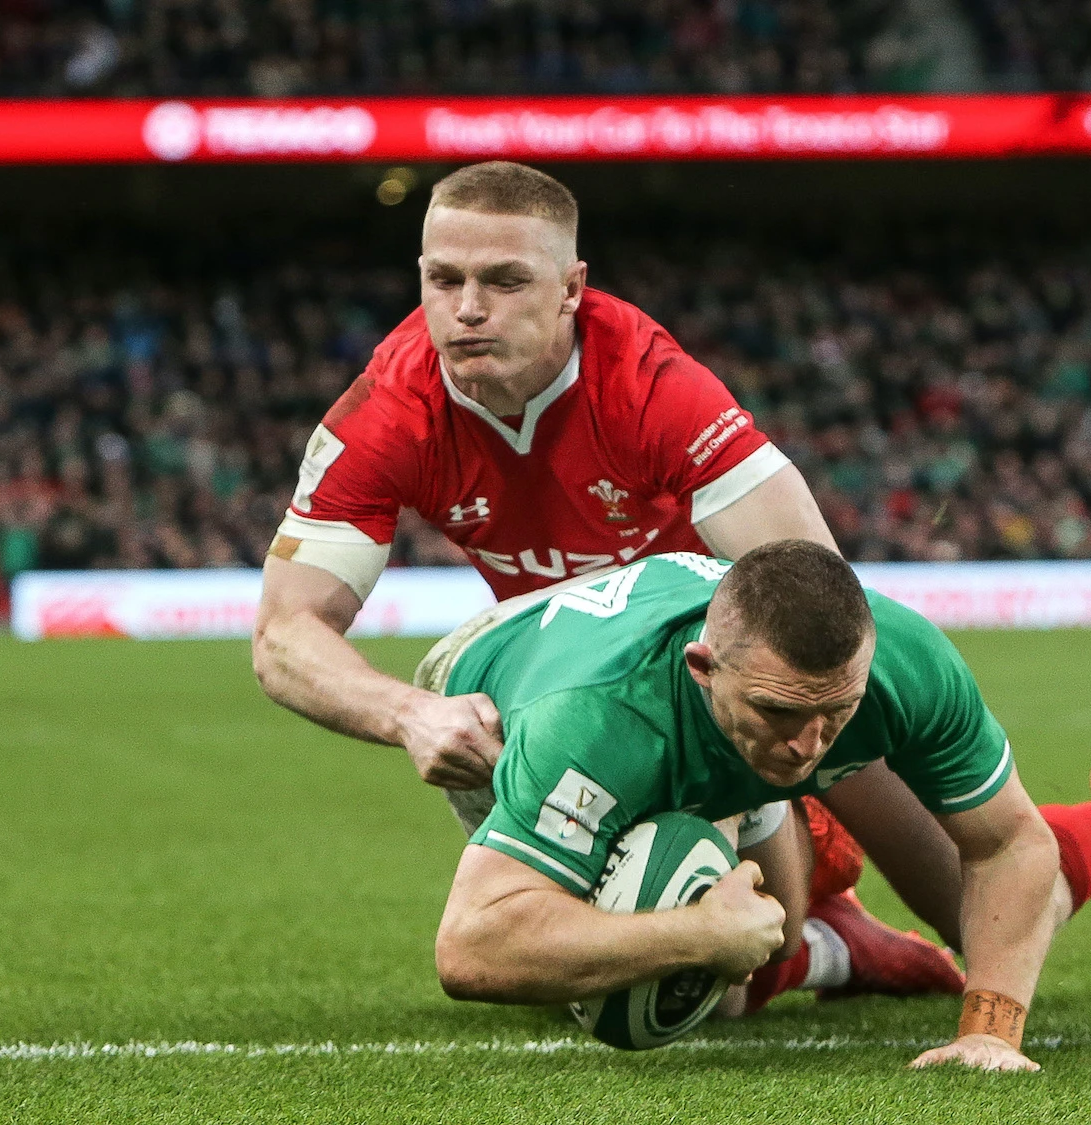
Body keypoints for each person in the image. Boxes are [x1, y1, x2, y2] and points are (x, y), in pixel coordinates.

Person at [251, 160, 984, 1001]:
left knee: (979, 903)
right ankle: (825, 943)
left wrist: (764, 738)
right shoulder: (388, 410)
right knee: (664, 983)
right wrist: (412, 713)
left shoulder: (646, 383)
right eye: (443, 279)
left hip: (724, 677)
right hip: (587, 690)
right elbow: (283, 635)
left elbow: (812, 583)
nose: (467, 308)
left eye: (504, 280)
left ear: (571, 288)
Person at [430, 542, 1091, 1071]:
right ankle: (825, 944)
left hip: (702, 739)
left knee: (985, 918)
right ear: (705, 668)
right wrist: (700, 936)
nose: (809, 747)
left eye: (831, 714)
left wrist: (991, 1029)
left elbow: (1011, 845)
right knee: (671, 989)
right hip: (512, 696)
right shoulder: (592, 726)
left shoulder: (903, 661)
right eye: (780, 714)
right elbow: (472, 947)